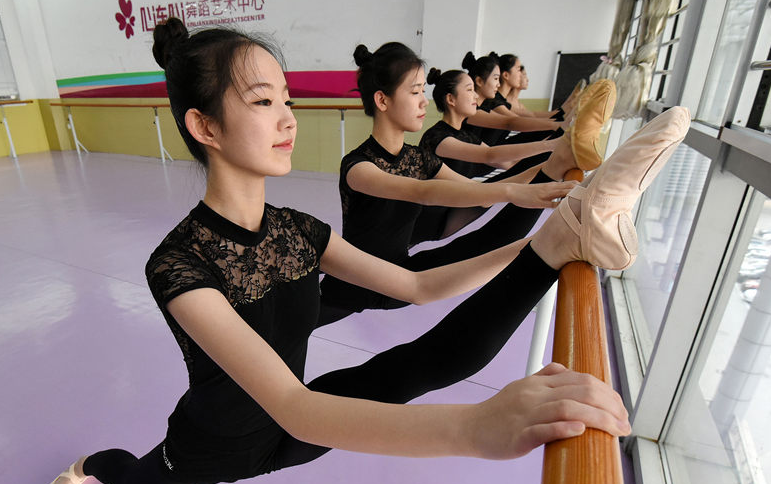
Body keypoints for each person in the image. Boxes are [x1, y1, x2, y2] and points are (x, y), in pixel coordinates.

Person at [51, 18, 693, 484]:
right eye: (263, 102)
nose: (288, 119)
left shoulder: (298, 231)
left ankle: (562, 240)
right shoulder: (178, 264)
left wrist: (538, 245)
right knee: (124, 473)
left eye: (287, 100)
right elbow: (295, 405)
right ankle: (89, 469)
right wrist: (473, 427)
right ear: (205, 126)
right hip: (209, 452)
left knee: (408, 369)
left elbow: (416, 286)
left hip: (293, 427)